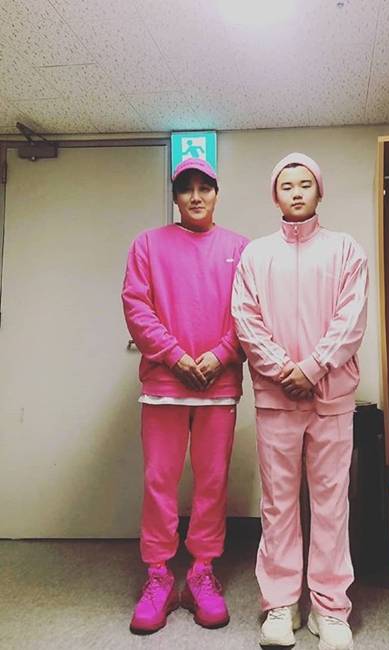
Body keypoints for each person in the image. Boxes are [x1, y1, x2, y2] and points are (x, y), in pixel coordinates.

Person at [232, 153, 368, 650]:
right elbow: (245, 319)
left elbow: (351, 320)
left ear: (319, 191)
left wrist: (311, 368)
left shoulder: (345, 250)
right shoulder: (255, 255)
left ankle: (330, 609)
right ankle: (281, 604)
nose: (295, 191)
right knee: (278, 505)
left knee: (331, 504)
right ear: (275, 196)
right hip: (276, 401)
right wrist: (281, 370)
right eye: (286, 185)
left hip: (331, 398)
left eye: (304, 183)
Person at [122, 157, 249, 635]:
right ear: (175, 197)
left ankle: (200, 573)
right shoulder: (148, 245)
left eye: (204, 187)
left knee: (212, 481)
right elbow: (136, 305)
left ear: (216, 193)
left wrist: (220, 355)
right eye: (186, 188)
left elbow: (249, 312)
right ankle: (158, 575)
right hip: (164, 387)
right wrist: (175, 357)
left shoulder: (240, 248)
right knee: (160, 480)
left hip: (219, 387)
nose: (196, 196)